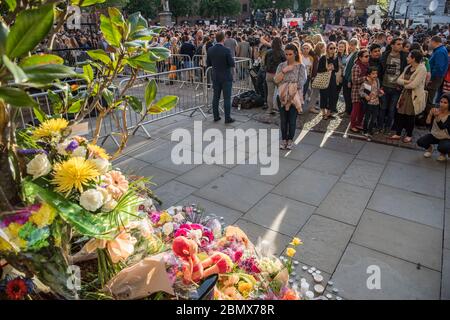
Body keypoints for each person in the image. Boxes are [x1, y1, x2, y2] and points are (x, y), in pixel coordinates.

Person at [274, 43, 307, 150]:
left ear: (295, 53)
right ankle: (284, 140)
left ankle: (290, 140)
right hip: (282, 97)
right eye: (286, 54)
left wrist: (288, 87)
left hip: (294, 97)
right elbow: (276, 80)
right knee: (283, 120)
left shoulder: (301, 66)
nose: (288, 56)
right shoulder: (281, 65)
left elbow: (301, 83)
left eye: (290, 54)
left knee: (292, 120)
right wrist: (285, 70)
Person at [390, 50, 427, 143]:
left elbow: (414, 85)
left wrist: (405, 84)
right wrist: (407, 82)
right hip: (405, 94)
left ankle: (409, 134)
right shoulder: (407, 67)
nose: (407, 58)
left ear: (413, 58)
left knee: (410, 116)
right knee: (400, 114)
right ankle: (398, 133)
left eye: (408, 57)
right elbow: (398, 80)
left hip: (414, 96)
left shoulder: (422, 69)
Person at [379, 37, 407, 134]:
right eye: (398, 44)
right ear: (392, 45)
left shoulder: (404, 56)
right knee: (383, 108)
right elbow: (380, 70)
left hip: (396, 88)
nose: (400, 46)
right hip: (385, 86)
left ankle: (388, 127)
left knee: (392, 109)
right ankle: (379, 126)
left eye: (401, 44)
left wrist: (401, 84)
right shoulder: (385, 55)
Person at [207, 31, 236, 124]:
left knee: (216, 97)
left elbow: (208, 63)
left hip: (215, 76)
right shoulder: (226, 50)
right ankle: (227, 118)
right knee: (227, 98)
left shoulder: (210, 49)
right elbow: (232, 64)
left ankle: (216, 116)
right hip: (226, 77)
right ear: (223, 39)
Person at [417, 93, 450, 161]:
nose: (442, 104)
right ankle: (430, 149)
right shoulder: (436, 110)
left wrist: (437, 117)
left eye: (445, 103)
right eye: (441, 102)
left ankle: (443, 154)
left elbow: (442, 127)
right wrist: (430, 115)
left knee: (443, 147)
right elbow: (428, 123)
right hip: (434, 135)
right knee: (420, 142)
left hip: (446, 137)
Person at [359, 67, 384, 141]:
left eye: (376, 73)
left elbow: (378, 90)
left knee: (374, 117)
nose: (375, 75)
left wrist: (380, 93)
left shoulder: (377, 80)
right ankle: (365, 130)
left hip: (376, 102)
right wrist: (366, 96)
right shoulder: (365, 82)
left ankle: (370, 130)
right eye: (373, 74)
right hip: (368, 103)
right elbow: (360, 92)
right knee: (367, 117)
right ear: (369, 74)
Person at [318, 42, 339, 120]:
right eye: (331, 48)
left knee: (332, 96)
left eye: (334, 48)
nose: (333, 50)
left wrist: (333, 68)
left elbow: (336, 69)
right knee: (324, 95)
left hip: (332, 79)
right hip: (324, 78)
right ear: (327, 49)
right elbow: (319, 70)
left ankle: (329, 113)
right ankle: (323, 113)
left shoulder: (335, 58)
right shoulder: (323, 58)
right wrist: (327, 68)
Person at [264, 37, 286, 115]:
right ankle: (280, 109)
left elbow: (265, 63)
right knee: (281, 93)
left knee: (270, 94)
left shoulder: (268, 52)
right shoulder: (282, 53)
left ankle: (270, 109)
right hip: (279, 75)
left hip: (269, 74)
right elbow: (285, 65)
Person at [350, 49, 370, 132]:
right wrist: (365, 78)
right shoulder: (356, 66)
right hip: (356, 91)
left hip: (365, 90)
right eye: (366, 56)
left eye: (368, 56)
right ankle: (352, 125)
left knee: (362, 109)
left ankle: (358, 123)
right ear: (360, 58)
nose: (368, 58)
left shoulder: (367, 65)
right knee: (356, 109)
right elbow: (354, 80)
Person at [427, 36, 449, 109]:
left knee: (430, 97)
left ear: (434, 42)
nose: (429, 44)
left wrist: (430, 76)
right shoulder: (439, 50)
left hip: (435, 78)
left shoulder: (440, 51)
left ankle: (427, 116)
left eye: (430, 42)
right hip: (435, 77)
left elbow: (439, 67)